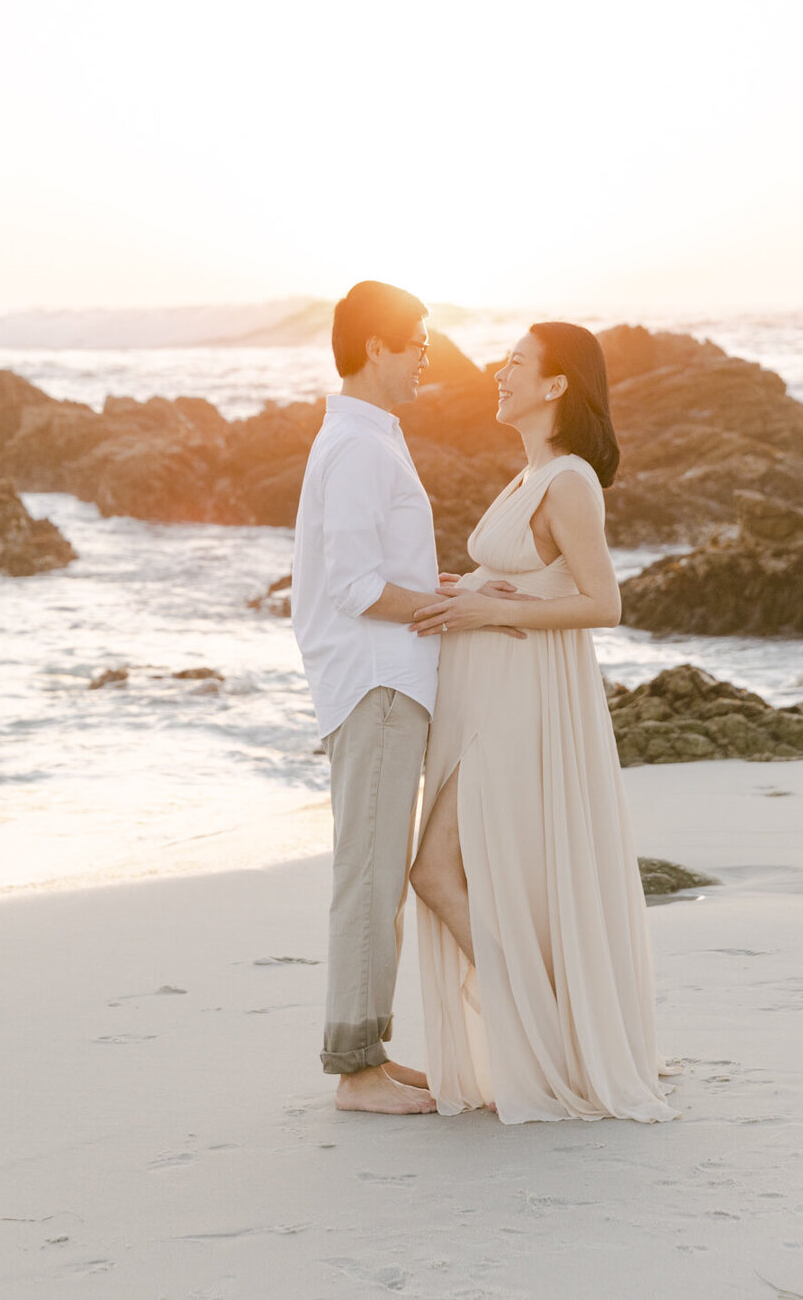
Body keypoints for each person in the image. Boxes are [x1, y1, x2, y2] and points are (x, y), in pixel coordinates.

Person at [408, 322, 676, 1124]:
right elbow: (534, 575)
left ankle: (551, 1036)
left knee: (436, 871)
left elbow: (606, 603)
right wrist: (476, 584)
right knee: (481, 873)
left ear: (556, 386)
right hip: (486, 694)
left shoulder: (569, 481)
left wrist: (486, 605)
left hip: (520, 701)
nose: (500, 371)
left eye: (517, 363)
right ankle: (552, 1031)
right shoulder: (528, 475)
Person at [291, 280, 444, 1115]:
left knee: (381, 872)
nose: (427, 351)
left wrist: (432, 585)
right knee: (370, 874)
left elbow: (375, 571)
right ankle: (356, 1070)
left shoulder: (367, 437)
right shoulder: (357, 447)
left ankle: (372, 1051)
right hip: (377, 685)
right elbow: (353, 585)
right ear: (376, 346)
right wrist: (442, 606)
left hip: (389, 680)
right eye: (417, 338)